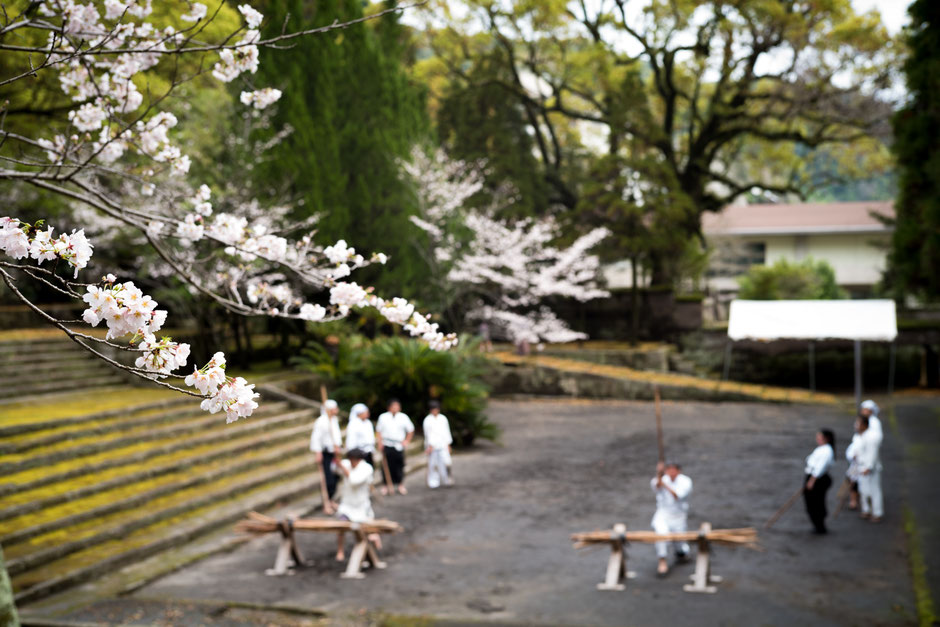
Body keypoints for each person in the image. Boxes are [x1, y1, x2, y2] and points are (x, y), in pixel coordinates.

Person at [334, 448, 380, 561]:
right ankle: (340, 550)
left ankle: (371, 547)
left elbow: (354, 481)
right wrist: (336, 456)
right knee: (341, 526)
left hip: (362, 506)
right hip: (347, 504)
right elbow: (334, 468)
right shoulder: (347, 464)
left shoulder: (366, 468)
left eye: (353, 460)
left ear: (359, 460)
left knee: (367, 530)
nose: (351, 463)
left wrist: (342, 467)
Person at [650, 461, 693, 577]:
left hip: (678, 517)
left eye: (674, 470)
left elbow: (677, 495)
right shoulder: (662, 479)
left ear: (679, 471)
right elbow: (656, 485)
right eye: (669, 470)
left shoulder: (686, 481)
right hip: (663, 515)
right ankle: (662, 561)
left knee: (679, 542)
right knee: (661, 535)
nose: (672, 472)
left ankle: (681, 553)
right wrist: (658, 473)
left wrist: (664, 484)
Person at [310, 399, 343, 512]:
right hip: (326, 453)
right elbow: (316, 438)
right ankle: (326, 502)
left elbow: (337, 436)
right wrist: (318, 453)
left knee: (336, 477)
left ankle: (331, 499)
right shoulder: (321, 421)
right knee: (328, 479)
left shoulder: (333, 420)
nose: (336, 410)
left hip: (334, 453)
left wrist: (338, 447)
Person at [376, 398, 414, 495]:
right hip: (387, 444)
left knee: (399, 465)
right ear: (389, 407)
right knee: (386, 465)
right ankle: (386, 485)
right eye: (393, 406)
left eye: (397, 406)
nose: (395, 408)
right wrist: (380, 443)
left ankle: (400, 484)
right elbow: (379, 431)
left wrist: (407, 441)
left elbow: (410, 430)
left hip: (398, 444)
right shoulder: (383, 417)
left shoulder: (403, 417)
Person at [803, 429, 836, 534]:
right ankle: (817, 525)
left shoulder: (827, 451)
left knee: (816, 502)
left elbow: (820, 468)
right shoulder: (821, 449)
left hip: (817, 479)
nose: (817, 439)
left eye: (819, 437)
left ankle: (820, 526)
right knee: (813, 503)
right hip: (813, 477)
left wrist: (812, 481)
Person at [855, 414, 884, 522]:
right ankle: (866, 510)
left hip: (870, 468)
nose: (856, 425)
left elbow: (872, 454)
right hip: (861, 467)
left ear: (864, 424)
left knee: (874, 490)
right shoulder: (861, 435)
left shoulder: (871, 437)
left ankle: (877, 513)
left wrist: (869, 467)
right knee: (863, 490)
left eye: (858, 423)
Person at [423, 400, 453, 489]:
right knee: (433, 464)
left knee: (446, 462)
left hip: (443, 444)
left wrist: (448, 443)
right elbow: (428, 434)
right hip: (432, 446)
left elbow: (446, 431)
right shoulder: (427, 420)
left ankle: (447, 479)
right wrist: (430, 445)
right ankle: (433, 482)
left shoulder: (443, 418)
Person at [345, 403, 376, 468]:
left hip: (369, 451)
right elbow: (351, 440)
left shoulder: (368, 422)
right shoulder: (353, 424)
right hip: (359, 452)